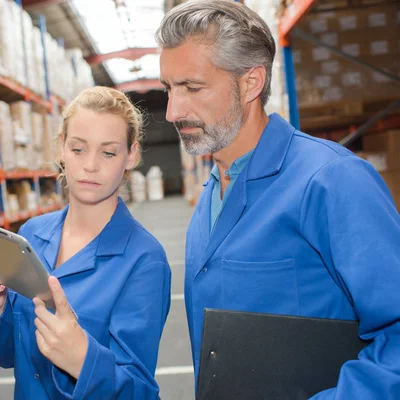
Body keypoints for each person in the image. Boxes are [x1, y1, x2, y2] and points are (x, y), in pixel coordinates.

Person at [155, 0, 400, 398]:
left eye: (192, 88)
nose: (172, 111)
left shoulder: (331, 181)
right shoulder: (212, 193)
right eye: (169, 89)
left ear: (251, 82)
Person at [0, 86, 172, 399]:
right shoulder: (31, 235)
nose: (90, 165)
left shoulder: (144, 260)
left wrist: (82, 360)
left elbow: (139, 391)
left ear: (131, 155)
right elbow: (9, 355)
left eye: (108, 152)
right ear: (61, 147)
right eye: (78, 149)